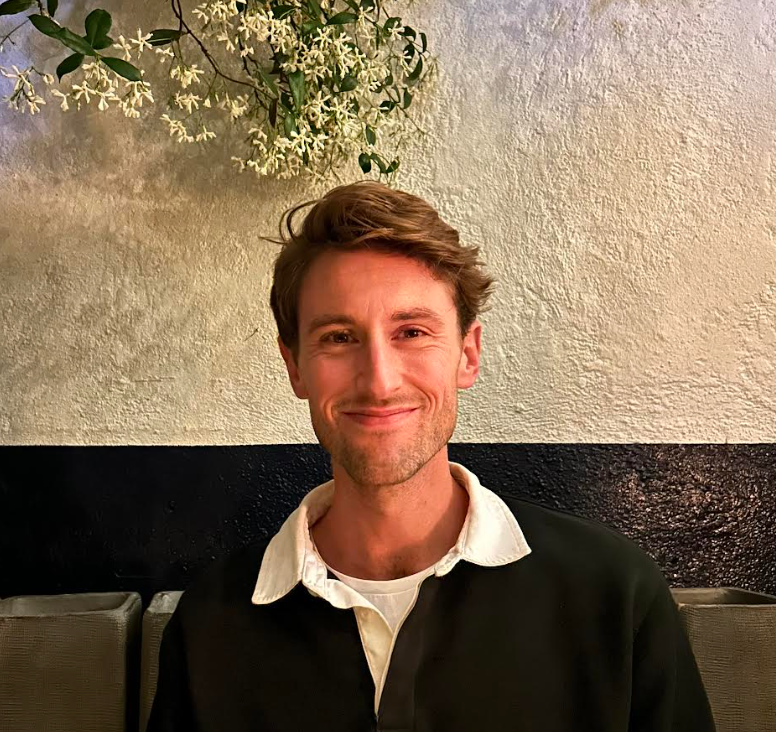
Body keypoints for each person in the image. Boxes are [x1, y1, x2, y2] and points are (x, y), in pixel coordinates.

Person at [147, 181, 716, 731]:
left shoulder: (614, 596)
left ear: (468, 355)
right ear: (295, 366)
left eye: (413, 332)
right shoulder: (210, 626)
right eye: (339, 337)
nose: (380, 381)